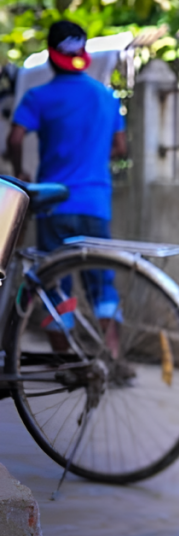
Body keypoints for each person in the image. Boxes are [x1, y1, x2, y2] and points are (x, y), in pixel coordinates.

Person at [6, 20, 127, 342]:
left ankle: (63, 362)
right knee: (101, 282)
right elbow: (120, 147)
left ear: (50, 54)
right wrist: (94, 156)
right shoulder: (106, 97)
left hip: (54, 205)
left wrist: (20, 171)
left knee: (55, 285)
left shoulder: (38, 97)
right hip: (96, 204)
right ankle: (112, 358)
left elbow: (15, 138)